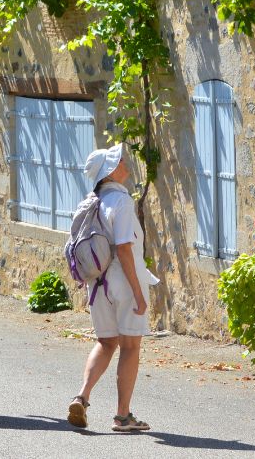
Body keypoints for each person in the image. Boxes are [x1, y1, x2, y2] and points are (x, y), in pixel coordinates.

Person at [66, 144, 159, 433]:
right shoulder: (121, 202)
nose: (125, 164)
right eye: (119, 161)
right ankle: (122, 416)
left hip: (97, 284)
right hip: (122, 280)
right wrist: (139, 292)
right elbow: (124, 249)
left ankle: (82, 396)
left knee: (106, 342)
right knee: (130, 346)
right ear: (109, 172)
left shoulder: (90, 202)